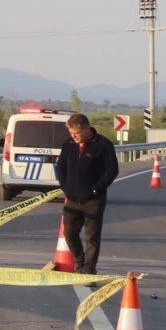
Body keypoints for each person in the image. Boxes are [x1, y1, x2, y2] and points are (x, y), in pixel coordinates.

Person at [54, 113, 119, 274]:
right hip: (72, 200)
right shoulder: (68, 145)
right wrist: (65, 187)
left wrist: (97, 189)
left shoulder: (104, 145)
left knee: (92, 237)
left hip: (94, 201)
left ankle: (89, 270)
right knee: (69, 233)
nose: (73, 136)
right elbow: (60, 168)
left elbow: (112, 171)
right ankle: (79, 262)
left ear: (86, 128)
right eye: (71, 133)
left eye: (76, 133)